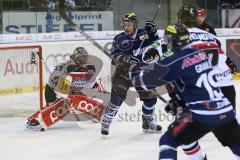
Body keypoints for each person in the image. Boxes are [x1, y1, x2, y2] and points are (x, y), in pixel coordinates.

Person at [131, 22, 240, 160]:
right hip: (225, 109)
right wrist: (182, 100)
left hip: (201, 114)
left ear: (170, 40)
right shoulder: (200, 52)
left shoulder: (175, 58)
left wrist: (132, 73)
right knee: (236, 145)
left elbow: (144, 81)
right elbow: (192, 78)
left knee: (168, 141)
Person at [100, 12, 161, 135]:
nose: (126, 27)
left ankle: (148, 122)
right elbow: (114, 55)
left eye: (129, 24)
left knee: (151, 98)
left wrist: (153, 32)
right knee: (117, 98)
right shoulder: (119, 38)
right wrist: (125, 58)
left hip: (142, 71)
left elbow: (157, 43)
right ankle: (106, 122)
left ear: (135, 25)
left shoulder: (144, 33)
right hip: (124, 72)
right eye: (125, 24)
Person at [26, 47, 104, 130]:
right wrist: (58, 85)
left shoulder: (90, 68)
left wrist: (96, 86)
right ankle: (36, 119)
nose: (84, 59)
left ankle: (96, 112)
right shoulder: (67, 65)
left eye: (85, 57)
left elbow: (90, 84)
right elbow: (53, 77)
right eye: (82, 57)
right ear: (76, 57)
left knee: (76, 100)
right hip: (53, 90)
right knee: (56, 105)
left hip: (73, 91)